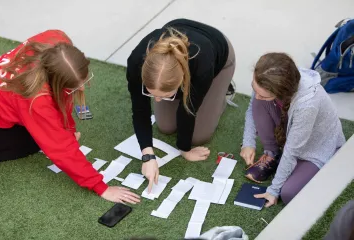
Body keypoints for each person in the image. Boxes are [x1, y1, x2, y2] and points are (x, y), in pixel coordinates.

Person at [0, 30, 140, 204]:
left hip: (12, 99)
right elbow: (61, 149)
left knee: (46, 132)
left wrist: (68, 128)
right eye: (73, 87)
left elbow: (62, 100)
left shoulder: (56, 38)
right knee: (35, 141)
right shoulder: (37, 100)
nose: (83, 89)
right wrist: (101, 187)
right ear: (54, 82)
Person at [127, 18, 235, 191]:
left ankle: (222, 90)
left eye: (165, 95)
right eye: (151, 93)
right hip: (179, 46)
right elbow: (140, 109)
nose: (157, 100)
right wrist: (147, 155)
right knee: (166, 126)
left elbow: (188, 109)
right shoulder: (135, 63)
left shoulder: (201, 66)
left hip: (218, 56)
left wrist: (185, 149)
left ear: (181, 81)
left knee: (198, 137)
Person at [239, 52, 345, 206]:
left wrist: (274, 190)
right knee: (259, 103)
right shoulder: (268, 76)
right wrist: (248, 143)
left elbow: (293, 150)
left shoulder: (308, 104)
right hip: (291, 133)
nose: (257, 96)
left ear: (282, 92)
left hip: (314, 148)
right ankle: (272, 154)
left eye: (264, 95)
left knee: (288, 193)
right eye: (254, 89)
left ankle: (318, 165)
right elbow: (252, 109)